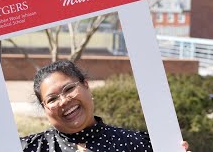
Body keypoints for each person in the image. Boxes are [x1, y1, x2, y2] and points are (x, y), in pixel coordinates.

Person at [20, 60, 189, 152]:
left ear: (86, 85)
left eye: (69, 89)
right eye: (52, 99)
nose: (63, 101)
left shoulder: (137, 145)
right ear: (44, 108)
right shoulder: (26, 148)